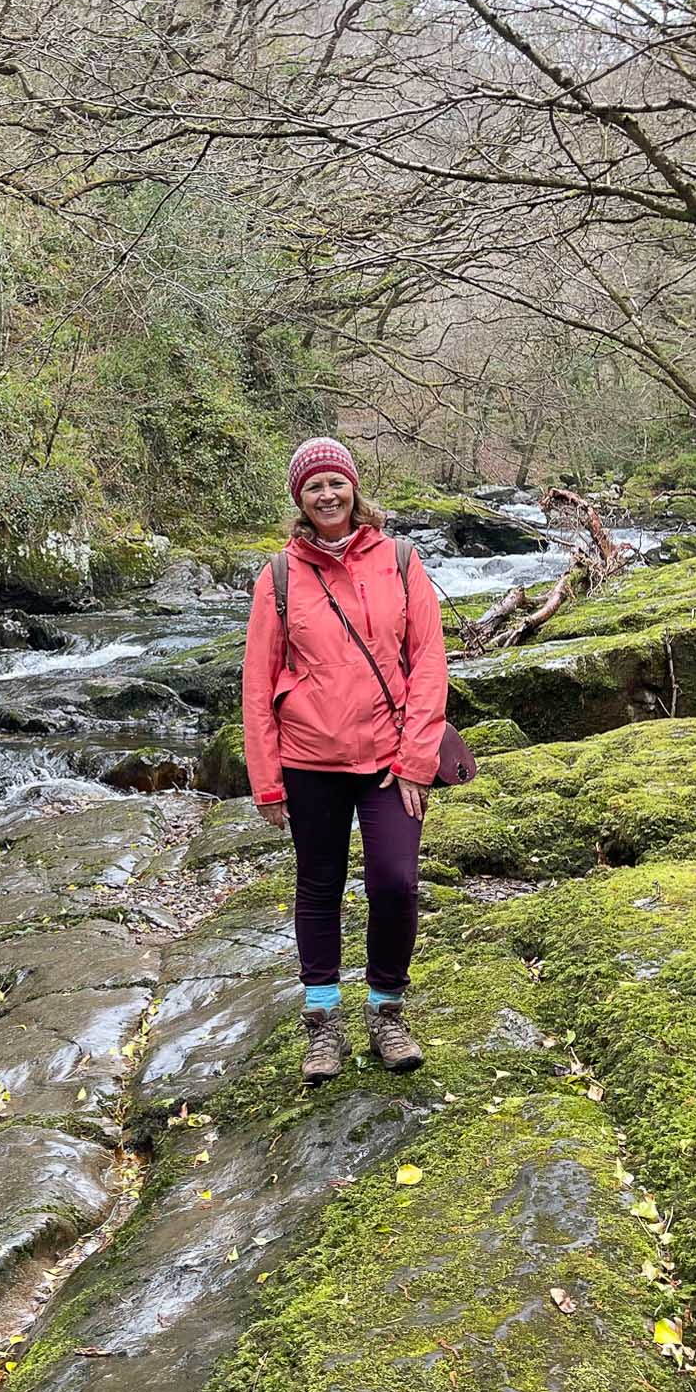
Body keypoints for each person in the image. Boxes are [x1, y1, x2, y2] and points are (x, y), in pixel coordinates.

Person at [241, 436, 448, 1084]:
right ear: (299, 501)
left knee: (394, 882)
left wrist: (419, 758)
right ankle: (322, 1021)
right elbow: (256, 684)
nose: (327, 495)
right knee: (318, 886)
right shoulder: (277, 576)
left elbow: (428, 664)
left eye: (336, 484)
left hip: (391, 759)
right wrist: (266, 783)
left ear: (353, 489)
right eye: (313, 488)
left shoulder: (402, 560)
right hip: (308, 759)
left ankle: (386, 1008)